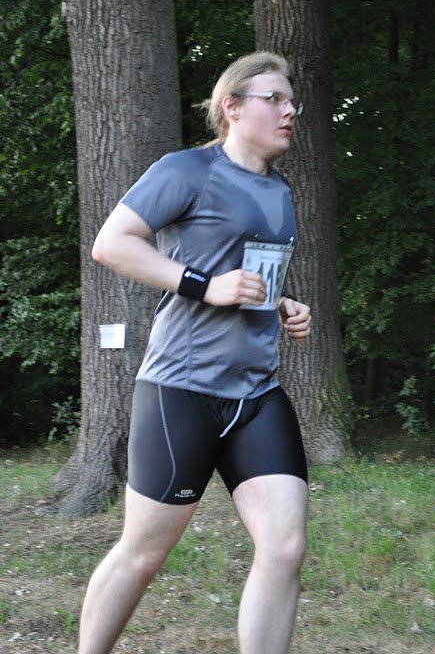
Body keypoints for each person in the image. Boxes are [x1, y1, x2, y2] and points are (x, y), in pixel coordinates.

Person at [79, 51, 312, 654]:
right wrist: (202, 286)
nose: (290, 110)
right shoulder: (186, 170)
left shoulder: (280, 192)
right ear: (231, 107)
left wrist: (283, 304)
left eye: (292, 101)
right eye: (275, 99)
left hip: (257, 394)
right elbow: (112, 243)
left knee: (285, 547)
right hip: (181, 391)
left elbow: (249, 279)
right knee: (143, 554)